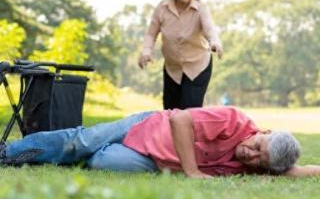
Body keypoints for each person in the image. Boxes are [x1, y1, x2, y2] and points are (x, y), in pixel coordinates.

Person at [1, 106, 319, 177]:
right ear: (263, 133)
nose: (249, 156)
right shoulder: (234, 120)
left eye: (258, 161)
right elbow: (181, 120)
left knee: (99, 162)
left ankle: (49, 153)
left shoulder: (258, 164)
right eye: (256, 149)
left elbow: (299, 171)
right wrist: (192, 171)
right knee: (81, 143)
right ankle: (10, 152)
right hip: (151, 125)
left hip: (154, 159)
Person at [138, 0, 223, 109]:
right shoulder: (162, 8)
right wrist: (146, 51)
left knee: (188, 112)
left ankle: (190, 132)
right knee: (170, 111)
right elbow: (151, 34)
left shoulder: (200, 9)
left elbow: (209, 28)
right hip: (173, 68)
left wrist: (215, 42)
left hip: (198, 66)